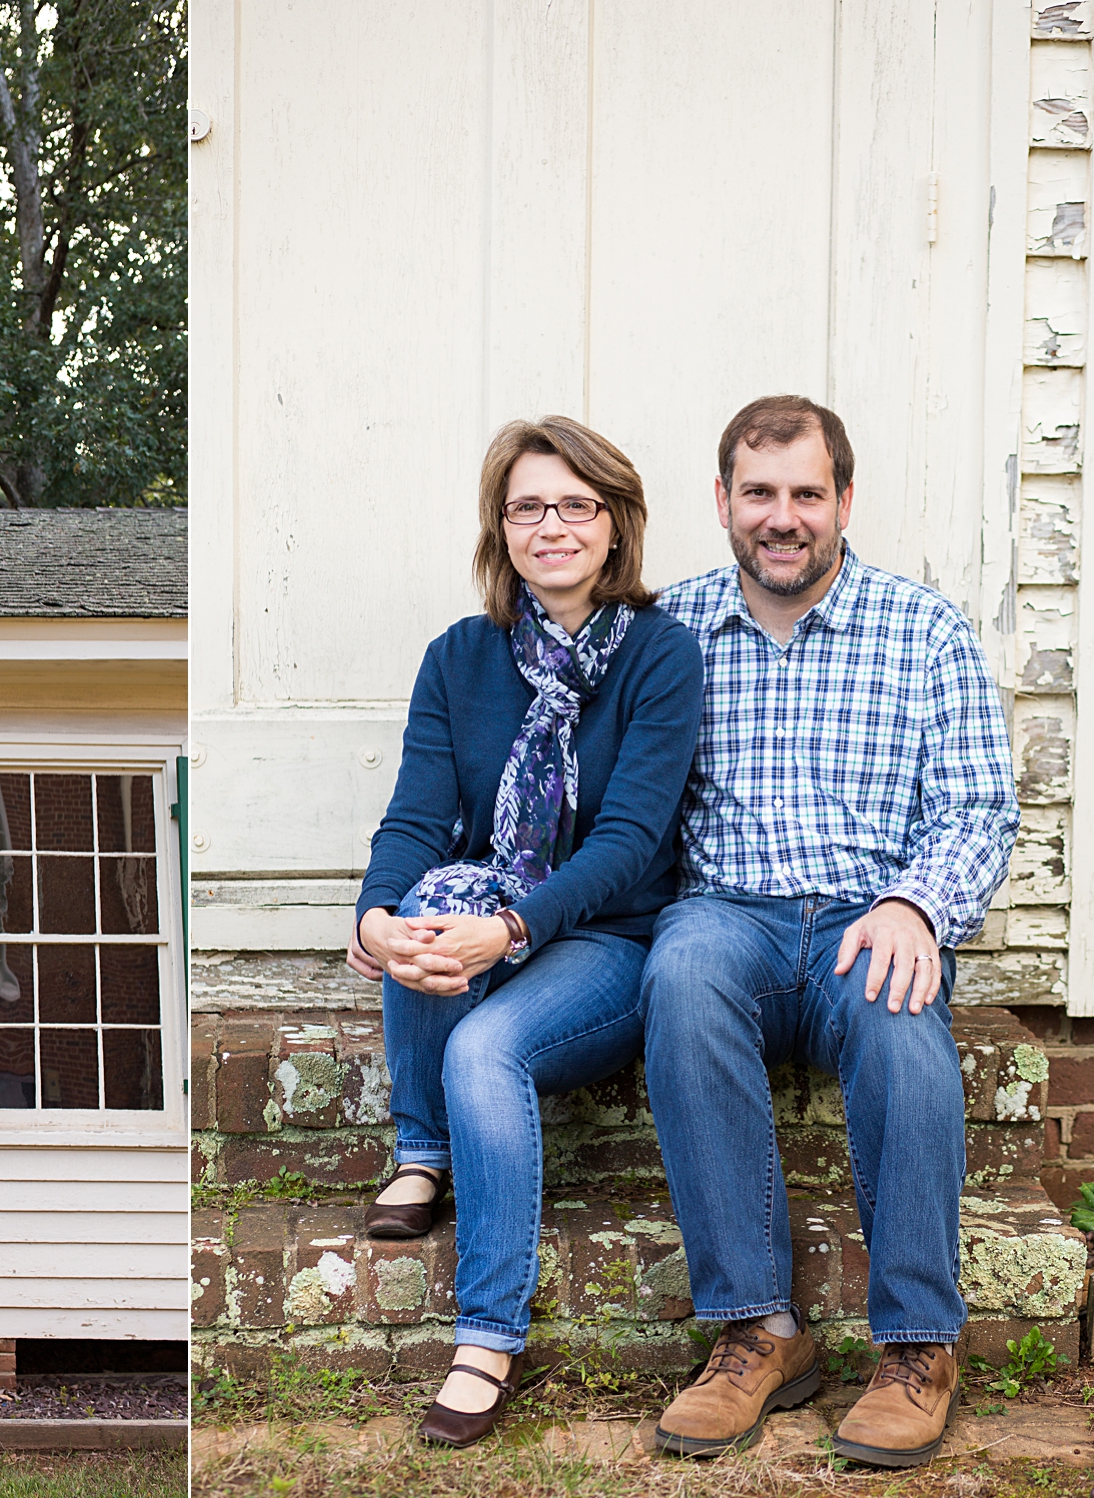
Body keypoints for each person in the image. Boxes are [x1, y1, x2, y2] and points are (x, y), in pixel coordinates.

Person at [646, 395, 1017, 1468]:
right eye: (757, 492)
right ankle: (757, 1331)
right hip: (729, 918)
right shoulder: (668, 633)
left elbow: (975, 808)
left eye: (805, 493)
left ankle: (913, 1346)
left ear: (842, 499)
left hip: (871, 918)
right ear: (720, 501)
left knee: (902, 1023)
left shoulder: (922, 628)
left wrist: (915, 903)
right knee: (679, 973)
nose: (782, 516)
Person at [344, 416, 702, 1448]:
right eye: (526, 506)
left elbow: (629, 843)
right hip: (485, 915)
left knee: (484, 1044)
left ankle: (486, 1336)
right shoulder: (458, 657)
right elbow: (414, 818)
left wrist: (506, 929)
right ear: (499, 528)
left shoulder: (658, 658)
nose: (551, 526)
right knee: (421, 904)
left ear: (614, 522)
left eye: (575, 504)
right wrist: (373, 916)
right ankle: (421, 1147)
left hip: (607, 940)